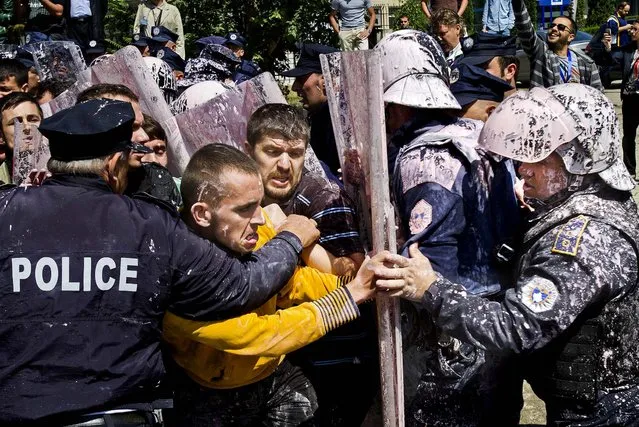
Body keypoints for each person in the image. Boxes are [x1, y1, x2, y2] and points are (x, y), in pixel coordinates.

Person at [0, 98, 320, 425]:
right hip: (120, 412)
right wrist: (291, 238)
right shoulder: (151, 226)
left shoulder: (6, 211)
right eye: (130, 162)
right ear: (113, 165)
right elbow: (242, 285)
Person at [379, 83, 639, 426]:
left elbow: (513, 327)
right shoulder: (601, 203)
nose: (522, 168)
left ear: (579, 159)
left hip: (598, 414)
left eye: (540, 157)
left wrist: (430, 288)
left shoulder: (579, 241)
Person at [163, 143, 384, 426]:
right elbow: (263, 334)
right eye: (244, 209)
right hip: (208, 392)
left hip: (271, 373)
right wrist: (349, 297)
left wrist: (354, 284)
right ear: (202, 214)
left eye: (259, 203)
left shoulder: (255, 232)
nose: (259, 218)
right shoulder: (178, 274)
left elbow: (293, 283)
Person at [375, 29, 521, 425]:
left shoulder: (424, 158)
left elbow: (431, 265)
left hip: (456, 335)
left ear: (393, 104)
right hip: (497, 317)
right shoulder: (480, 136)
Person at [245, 104, 378, 426]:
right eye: (272, 152)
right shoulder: (247, 196)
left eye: (295, 153)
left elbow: (357, 277)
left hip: (333, 362)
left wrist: (296, 239)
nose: (284, 165)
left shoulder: (321, 198)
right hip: (286, 353)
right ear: (248, 150)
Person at [282, 43, 341, 178]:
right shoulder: (321, 114)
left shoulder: (341, 121)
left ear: (326, 80)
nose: (294, 87)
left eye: (301, 79)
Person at [513, 0, 602, 89]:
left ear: (571, 37)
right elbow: (525, 28)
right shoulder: (541, 54)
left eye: (561, 27)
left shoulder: (586, 63)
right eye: (552, 25)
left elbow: (597, 94)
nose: (554, 28)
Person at [0, 92, 42, 184]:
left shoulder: (66, 170)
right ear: (1, 135)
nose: (27, 127)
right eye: (15, 123)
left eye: (33, 120)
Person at [615, 20, 639, 179]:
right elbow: (609, 58)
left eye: (635, 29)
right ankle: (629, 171)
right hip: (630, 99)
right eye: (631, 29)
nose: (631, 32)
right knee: (629, 136)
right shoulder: (627, 50)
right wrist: (605, 46)